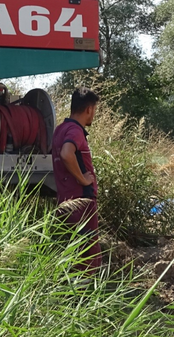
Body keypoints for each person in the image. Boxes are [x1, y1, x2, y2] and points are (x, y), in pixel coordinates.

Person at [52, 87, 101, 275]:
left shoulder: (60, 129)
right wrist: (83, 179)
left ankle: (70, 292)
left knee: (71, 248)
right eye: (94, 110)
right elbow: (66, 153)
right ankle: (86, 295)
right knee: (88, 252)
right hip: (82, 201)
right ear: (89, 109)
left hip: (65, 200)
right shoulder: (75, 131)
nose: (93, 115)